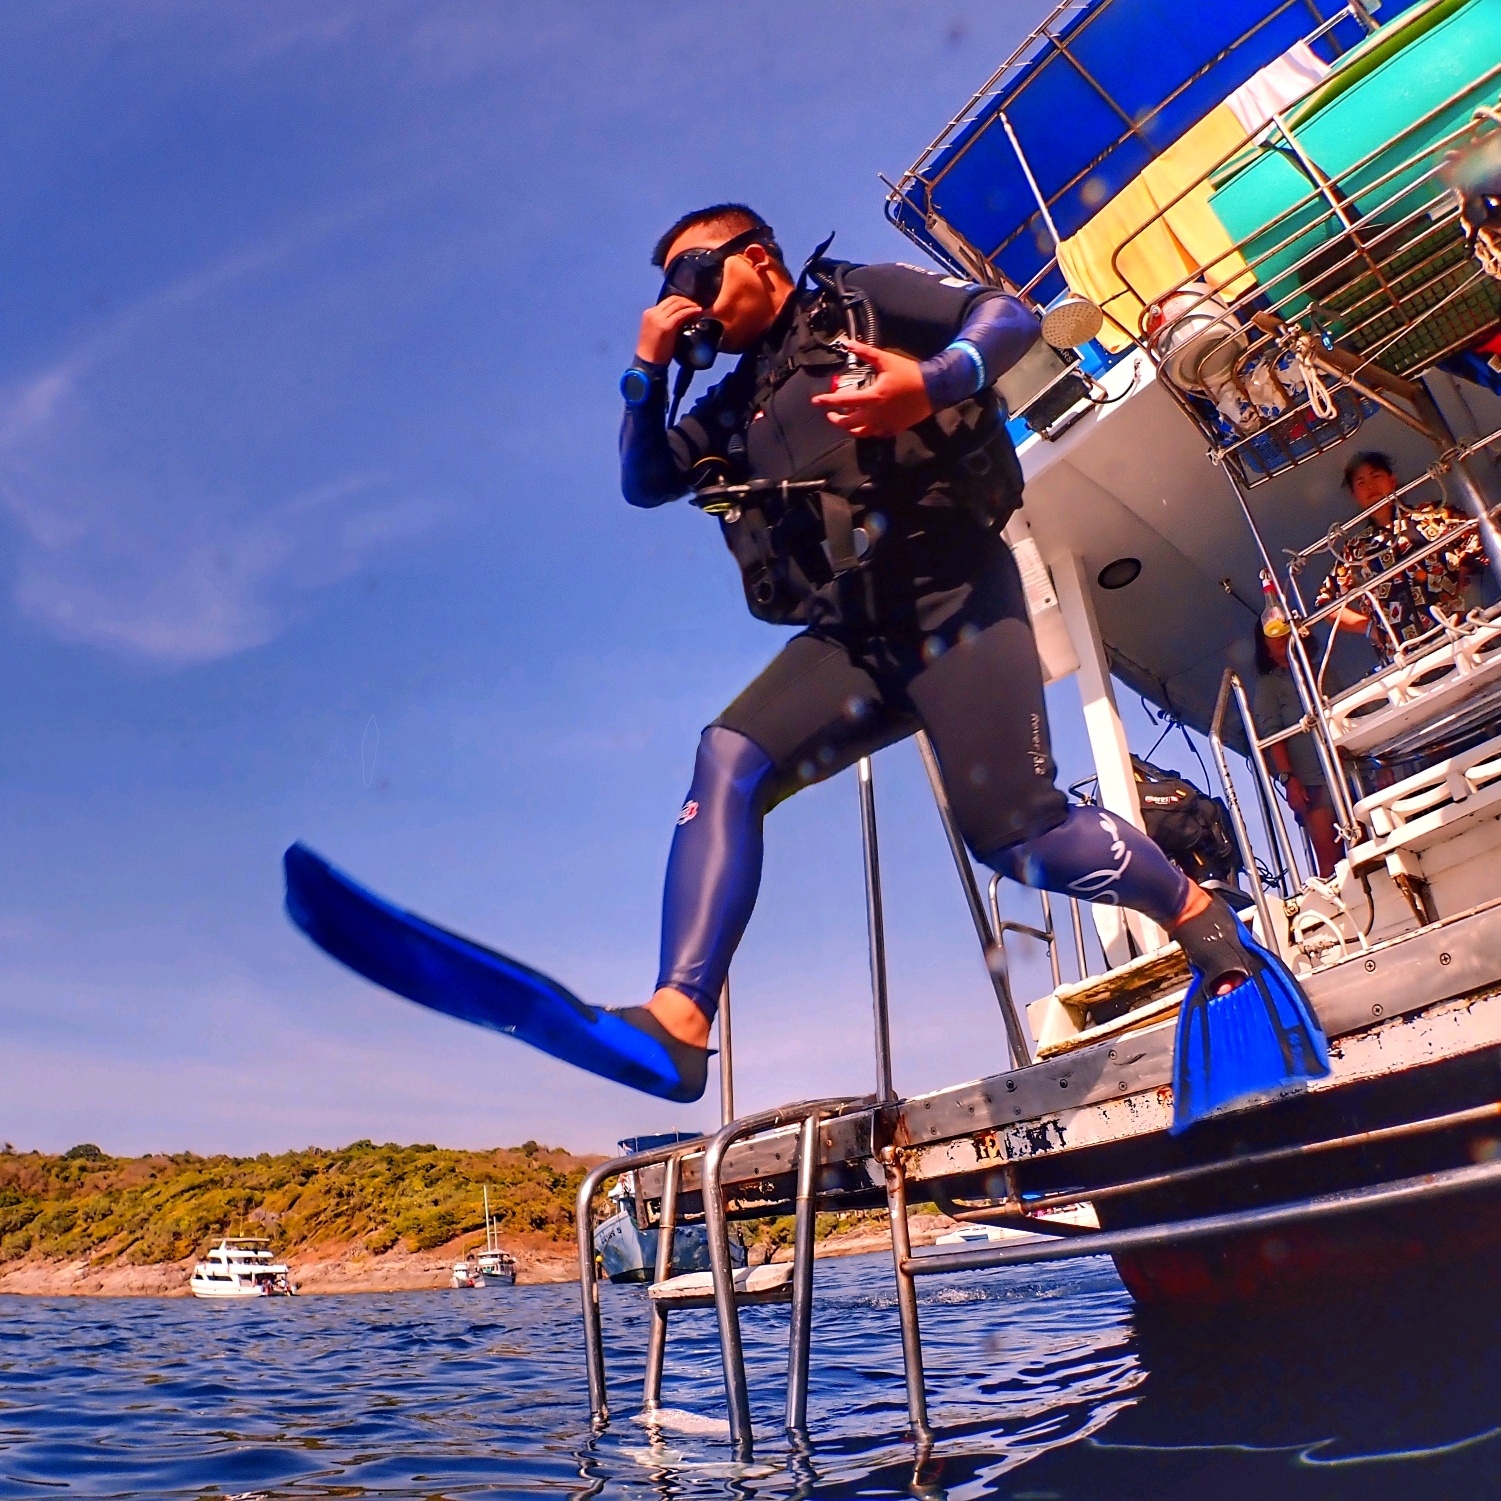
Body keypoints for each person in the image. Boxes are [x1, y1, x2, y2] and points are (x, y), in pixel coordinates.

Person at [611, 203, 1328, 1128]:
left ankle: (1197, 916)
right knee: (728, 756)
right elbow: (644, 481)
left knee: (1017, 835)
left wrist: (933, 382)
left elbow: (1006, 315)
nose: (682, 299)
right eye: (667, 286)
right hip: (853, 635)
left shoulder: (856, 304)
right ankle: (679, 1023)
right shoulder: (732, 403)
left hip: (953, 593)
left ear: (755, 258)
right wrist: (645, 369)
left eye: (693, 274)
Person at [1315, 451, 1488, 668]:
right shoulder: (1354, 551)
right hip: (1405, 659)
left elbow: (1478, 536)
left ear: (1392, 479)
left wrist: (1462, 583)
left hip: (1460, 631)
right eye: (1361, 482)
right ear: (1354, 495)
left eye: (1375, 476)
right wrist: (1370, 629)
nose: (1370, 486)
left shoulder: (1433, 515)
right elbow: (1326, 605)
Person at [1253, 621, 1343, 878]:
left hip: (1348, 770)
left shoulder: (1323, 671)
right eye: (1273, 635)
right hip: (1312, 782)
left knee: (1369, 842)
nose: (1282, 636)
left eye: (1285, 630)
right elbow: (1273, 736)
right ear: (1266, 649)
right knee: (1330, 860)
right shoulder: (1268, 686)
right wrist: (1289, 780)